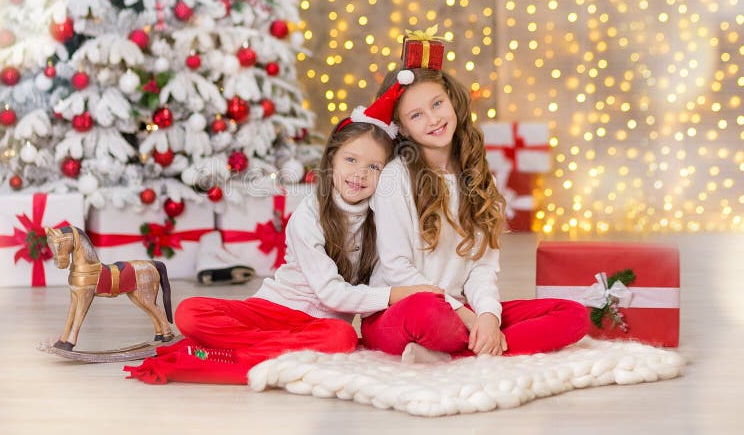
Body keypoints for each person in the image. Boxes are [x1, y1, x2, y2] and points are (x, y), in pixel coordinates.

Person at [124, 95, 443, 384]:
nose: (360, 173)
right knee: (189, 312)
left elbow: (380, 277)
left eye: (373, 166)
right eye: (351, 160)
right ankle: (265, 354)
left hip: (316, 328)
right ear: (332, 159)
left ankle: (235, 356)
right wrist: (397, 294)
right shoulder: (309, 214)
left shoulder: (381, 218)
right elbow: (331, 294)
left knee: (342, 337)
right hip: (271, 311)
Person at [361, 30, 589, 363]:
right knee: (425, 313)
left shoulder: (477, 174)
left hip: (459, 310)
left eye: (437, 104)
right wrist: (468, 318)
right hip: (402, 311)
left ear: (452, 100)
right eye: (416, 115)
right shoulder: (395, 178)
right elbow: (397, 271)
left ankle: (458, 348)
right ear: (403, 128)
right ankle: (468, 345)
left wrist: (487, 316)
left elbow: (482, 266)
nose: (434, 119)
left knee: (573, 315)